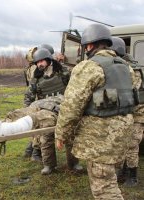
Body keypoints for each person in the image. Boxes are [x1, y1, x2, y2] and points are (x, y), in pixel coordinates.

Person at [55, 24, 137, 200]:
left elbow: (71, 106)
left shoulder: (88, 67)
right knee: (109, 177)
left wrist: (61, 134)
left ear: (89, 46)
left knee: (104, 189)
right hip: (122, 132)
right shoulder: (126, 67)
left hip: (100, 136)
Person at [24, 48, 81, 175]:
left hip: (64, 108)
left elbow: (75, 87)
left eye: (41, 61)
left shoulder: (63, 72)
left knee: (70, 136)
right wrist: (29, 113)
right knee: (46, 138)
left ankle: (74, 163)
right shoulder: (36, 78)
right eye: (37, 62)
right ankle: (49, 165)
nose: (39, 64)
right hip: (46, 112)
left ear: (49, 60)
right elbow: (29, 97)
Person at [110, 36, 144, 187]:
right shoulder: (117, 66)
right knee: (122, 143)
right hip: (124, 113)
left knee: (131, 144)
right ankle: (123, 171)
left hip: (136, 113)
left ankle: (133, 175)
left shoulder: (133, 69)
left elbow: (128, 93)